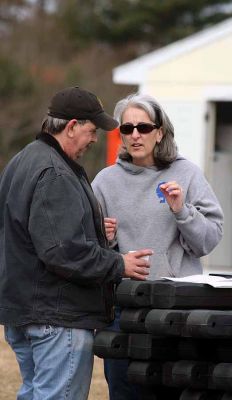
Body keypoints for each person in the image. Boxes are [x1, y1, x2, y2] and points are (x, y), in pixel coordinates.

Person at [0, 86, 152, 400]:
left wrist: (96, 232)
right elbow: (61, 250)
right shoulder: (55, 173)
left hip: (25, 312)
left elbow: (31, 236)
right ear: (71, 127)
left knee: (33, 392)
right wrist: (119, 263)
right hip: (57, 319)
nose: (95, 139)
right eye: (91, 130)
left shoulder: (22, 161)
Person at [92, 92, 224, 400]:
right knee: (126, 393)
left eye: (144, 127)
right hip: (123, 310)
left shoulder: (186, 174)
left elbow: (209, 240)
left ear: (159, 132)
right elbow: (89, 251)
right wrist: (106, 238)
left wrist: (182, 211)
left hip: (176, 309)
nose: (135, 135)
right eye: (127, 129)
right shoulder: (104, 182)